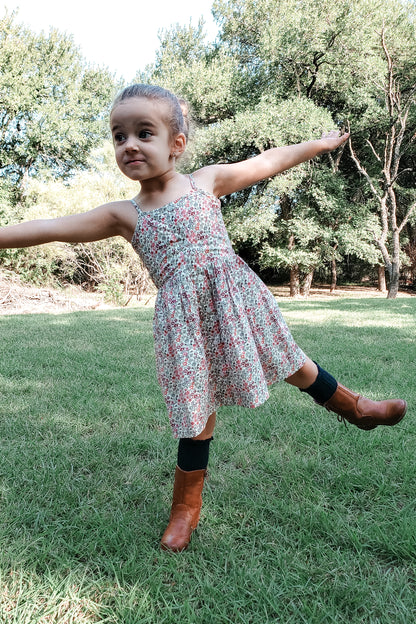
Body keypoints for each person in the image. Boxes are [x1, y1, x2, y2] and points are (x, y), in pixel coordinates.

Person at [0, 84, 407, 553]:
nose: (129, 144)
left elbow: (267, 162)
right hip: (184, 322)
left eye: (143, 133)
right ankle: (185, 509)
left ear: (176, 144)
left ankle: (357, 409)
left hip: (237, 298)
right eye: (119, 136)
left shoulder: (205, 182)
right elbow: (48, 229)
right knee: (196, 408)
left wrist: (317, 144)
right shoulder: (123, 214)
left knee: (292, 362)